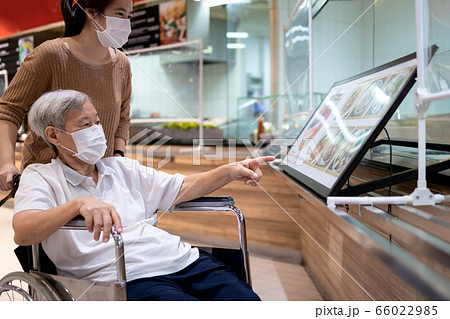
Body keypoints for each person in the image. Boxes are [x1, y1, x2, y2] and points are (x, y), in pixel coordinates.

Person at [12, 90, 275, 301]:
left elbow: (180, 187)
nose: (97, 130)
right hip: (125, 277)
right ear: (54, 135)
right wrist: (78, 204)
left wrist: (228, 172)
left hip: (182, 259)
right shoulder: (42, 176)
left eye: (98, 122)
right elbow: (24, 231)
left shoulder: (121, 167)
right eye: (85, 124)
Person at [0, 0, 134, 191]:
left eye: (129, 17)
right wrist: (6, 163)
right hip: (47, 181)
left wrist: (117, 158)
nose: (126, 24)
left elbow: (122, 118)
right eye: (120, 14)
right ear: (90, 12)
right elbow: (8, 110)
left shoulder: (122, 64)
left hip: (97, 182)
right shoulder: (50, 55)